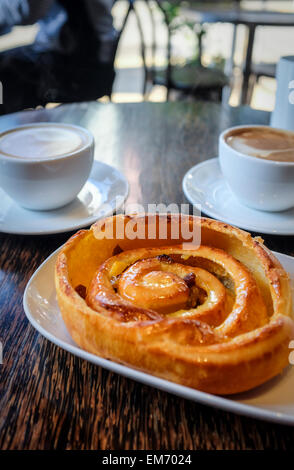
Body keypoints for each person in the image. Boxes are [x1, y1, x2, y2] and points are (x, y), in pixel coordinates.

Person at [0, 0, 118, 114]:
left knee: (7, 73)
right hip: (92, 62)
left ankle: (16, 127)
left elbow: (30, 14)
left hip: (81, 72)